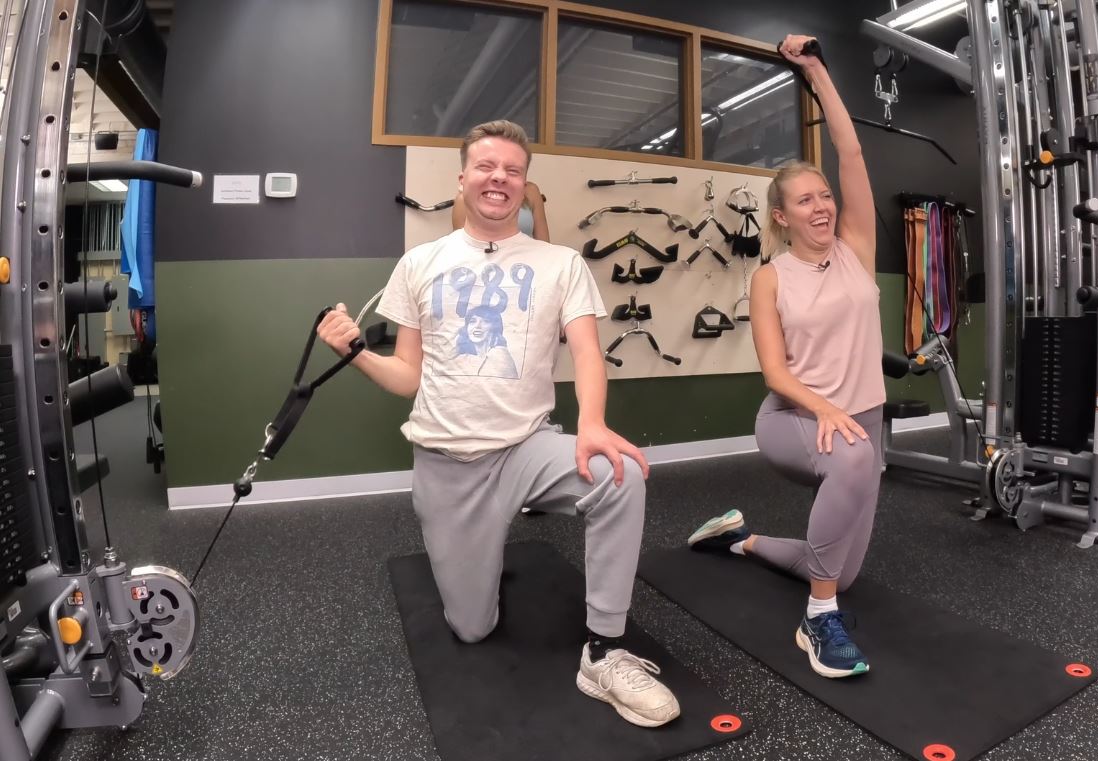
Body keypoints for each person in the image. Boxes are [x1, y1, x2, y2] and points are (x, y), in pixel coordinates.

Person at [318, 120, 680, 728]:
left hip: (526, 448)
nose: (499, 178)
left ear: (524, 184)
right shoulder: (420, 262)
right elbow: (408, 376)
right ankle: (477, 564)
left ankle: (603, 652)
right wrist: (356, 353)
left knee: (621, 477)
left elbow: (588, 352)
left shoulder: (560, 263)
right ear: (462, 179)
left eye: (512, 170)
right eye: (486, 167)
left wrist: (591, 422)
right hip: (446, 463)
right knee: (471, 629)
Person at [685, 35, 884, 679]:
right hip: (794, 418)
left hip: (865, 417)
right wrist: (825, 406)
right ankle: (817, 621)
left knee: (843, 570)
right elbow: (774, 372)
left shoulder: (856, 246)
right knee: (850, 459)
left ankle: (735, 538)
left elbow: (850, 152)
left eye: (824, 195)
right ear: (782, 216)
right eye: (806, 200)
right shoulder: (770, 277)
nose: (822, 205)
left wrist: (818, 73)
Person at [452, 180, 549, 242]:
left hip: (532, 265)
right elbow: (462, 250)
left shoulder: (531, 191)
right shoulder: (464, 199)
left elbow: (544, 243)